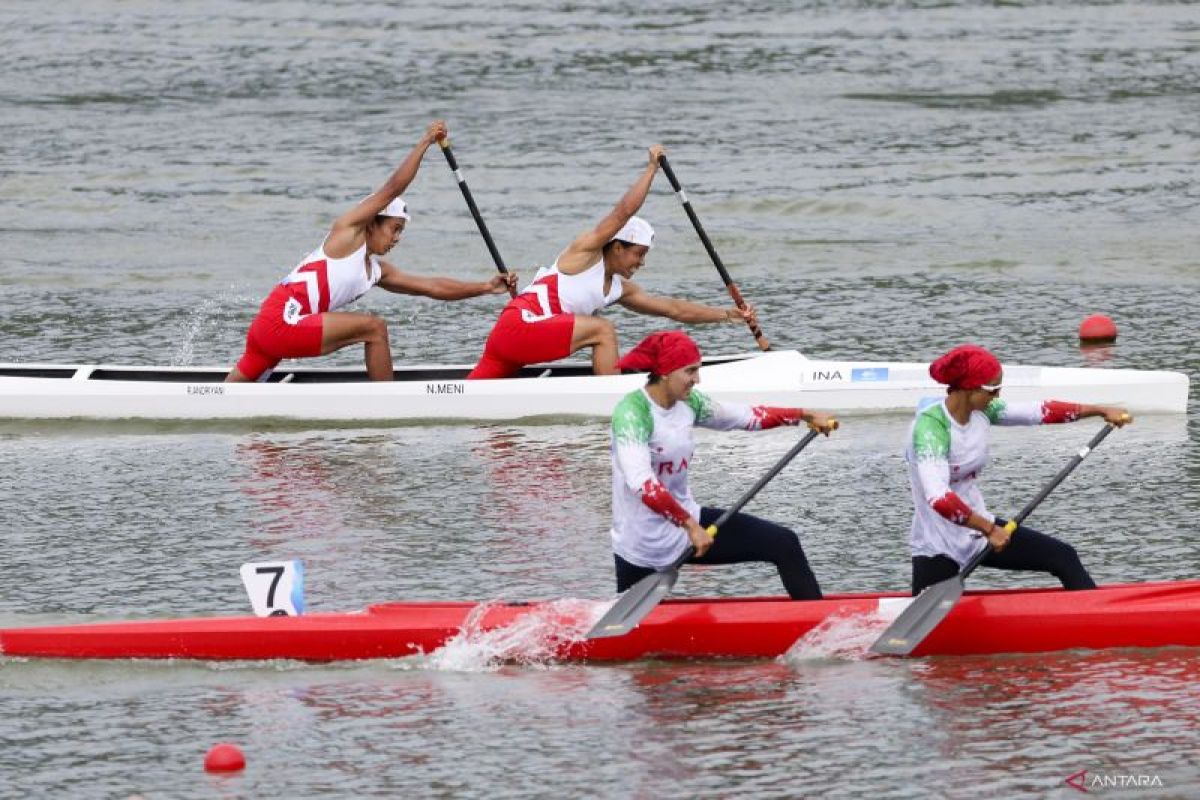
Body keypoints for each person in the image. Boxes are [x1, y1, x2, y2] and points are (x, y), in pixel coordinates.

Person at [226, 120, 517, 383]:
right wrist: (425, 143)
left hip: (271, 328)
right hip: (281, 323)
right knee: (374, 328)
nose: (397, 238)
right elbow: (392, 189)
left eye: (401, 231)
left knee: (229, 400)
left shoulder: (377, 271)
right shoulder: (348, 233)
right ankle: (387, 406)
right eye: (394, 229)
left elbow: (431, 287)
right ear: (372, 224)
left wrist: (485, 287)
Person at [466, 144, 758, 380]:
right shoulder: (585, 253)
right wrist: (651, 168)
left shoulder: (621, 289)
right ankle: (613, 402)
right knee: (602, 329)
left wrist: (728, 315)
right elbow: (622, 213)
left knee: (470, 400)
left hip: (514, 342)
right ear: (617, 247)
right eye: (639, 254)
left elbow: (674, 309)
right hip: (518, 326)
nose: (641, 262)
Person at [609, 330, 838, 599]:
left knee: (783, 542)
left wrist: (803, 414)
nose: (697, 379)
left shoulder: (689, 403)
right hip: (643, 544)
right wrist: (691, 527)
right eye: (690, 371)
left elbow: (747, 417)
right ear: (665, 371)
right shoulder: (632, 415)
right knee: (640, 632)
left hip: (687, 524)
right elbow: (643, 485)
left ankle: (816, 624)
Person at [907, 343, 1132, 595]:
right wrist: (990, 530)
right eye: (993, 390)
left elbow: (1039, 412)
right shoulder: (930, 430)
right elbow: (939, 498)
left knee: (1063, 556)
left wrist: (1100, 410)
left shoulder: (982, 410)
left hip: (977, 532)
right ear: (968, 388)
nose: (997, 396)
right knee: (937, 623)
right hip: (939, 542)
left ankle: (1096, 619)